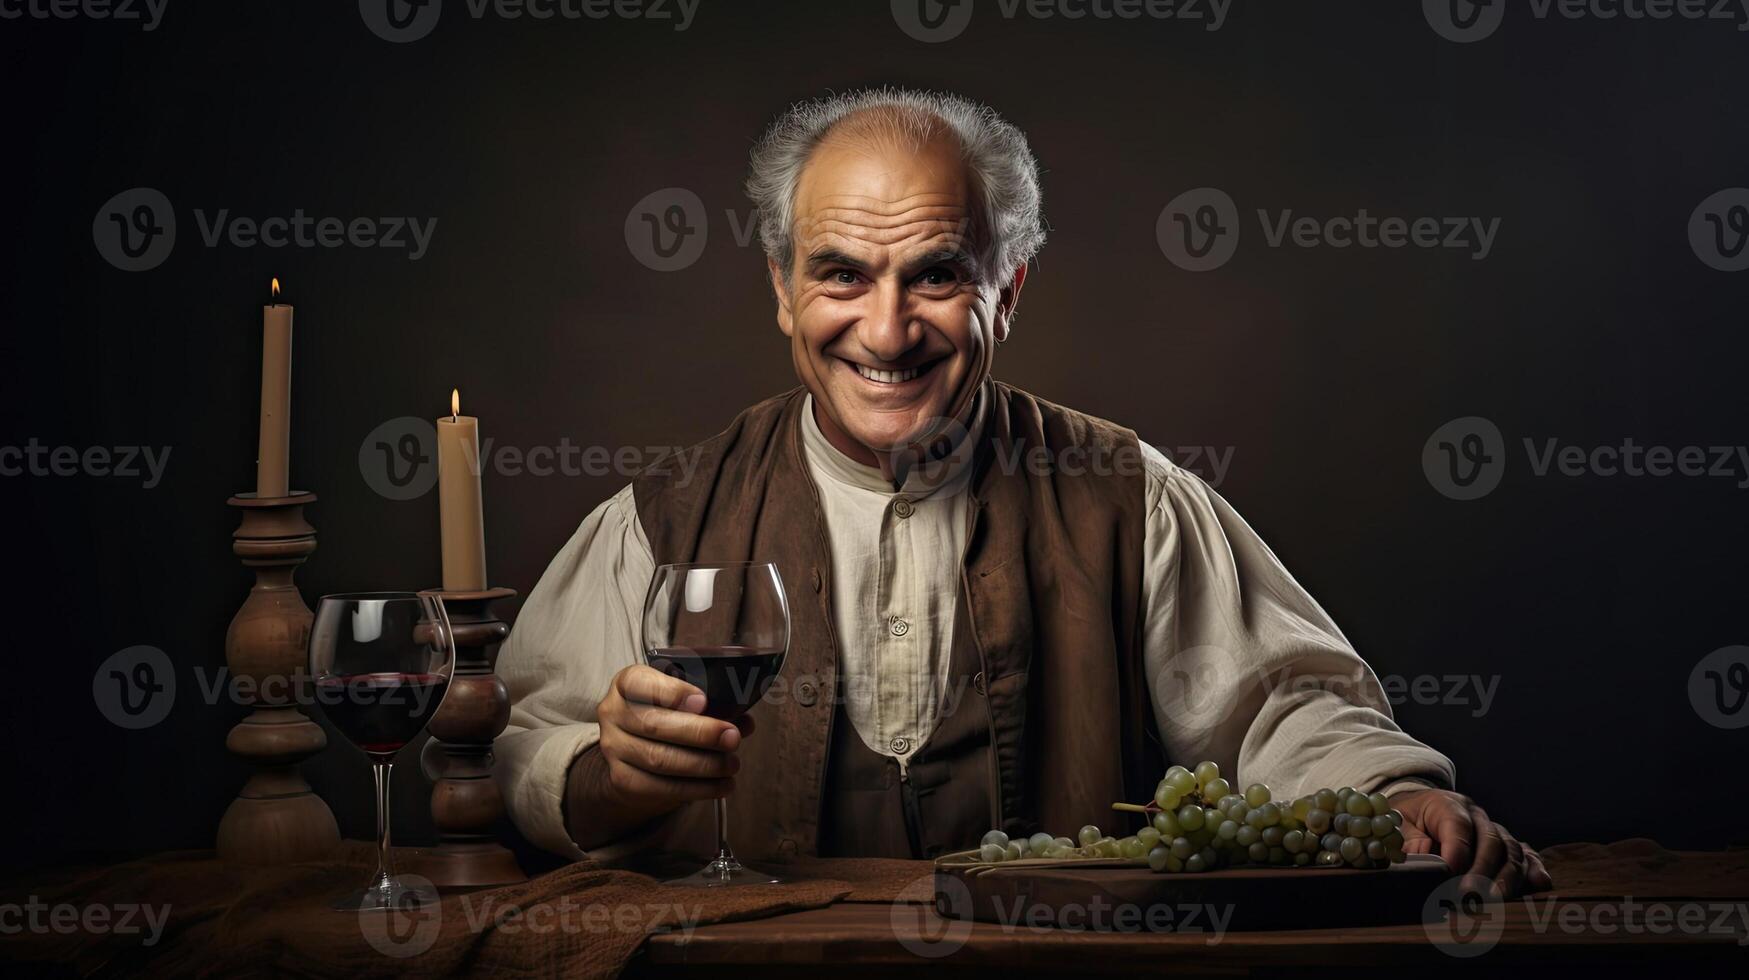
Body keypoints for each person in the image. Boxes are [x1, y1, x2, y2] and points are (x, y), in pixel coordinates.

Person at [494, 87, 1549, 897]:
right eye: (842, 273)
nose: (887, 328)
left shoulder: (1131, 495)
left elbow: (1287, 708)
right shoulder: (661, 516)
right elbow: (521, 747)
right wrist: (608, 776)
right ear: (781, 290)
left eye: (939, 274)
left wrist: (1394, 792)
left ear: (1009, 291)